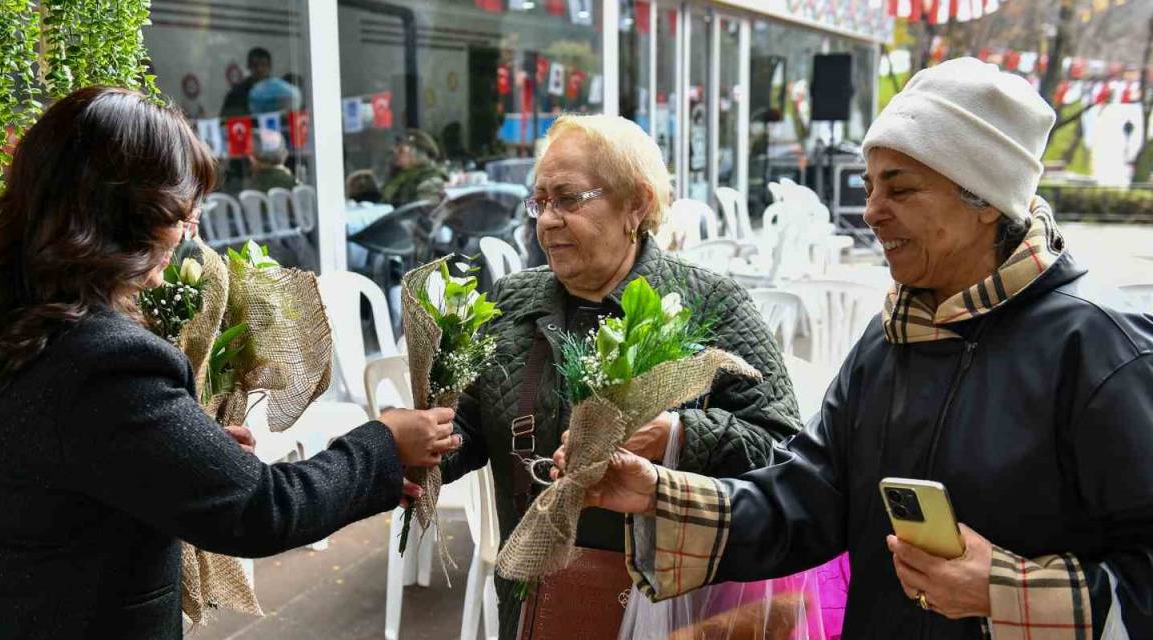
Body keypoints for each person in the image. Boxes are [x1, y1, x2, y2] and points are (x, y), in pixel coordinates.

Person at [577, 58, 1153, 637]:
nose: (872, 211)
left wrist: (1004, 592)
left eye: (900, 188)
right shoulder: (887, 342)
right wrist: (659, 492)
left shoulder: (1102, 349)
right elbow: (808, 498)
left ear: (985, 201)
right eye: (868, 186)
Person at [0, 86, 458, 639]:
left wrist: (180, 453)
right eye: (180, 213)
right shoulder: (106, 361)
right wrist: (381, 442)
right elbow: (261, 510)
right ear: (123, 216)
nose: (186, 234)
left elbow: (42, 467)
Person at [441, 114, 802, 639]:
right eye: (539, 202)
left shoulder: (711, 305)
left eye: (567, 200)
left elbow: (781, 447)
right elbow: (470, 426)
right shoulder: (513, 300)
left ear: (635, 203)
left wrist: (676, 436)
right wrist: (419, 449)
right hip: (539, 598)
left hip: (673, 605)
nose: (546, 220)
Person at [382, 129, 448, 207]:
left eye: (401, 151)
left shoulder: (430, 177)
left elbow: (423, 210)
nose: (395, 153)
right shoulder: (398, 175)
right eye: (395, 149)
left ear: (417, 154)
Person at [220, 47, 272, 118]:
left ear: (269, 67)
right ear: (249, 67)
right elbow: (225, 121)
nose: (259, 69)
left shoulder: (278, 91)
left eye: (263, 65)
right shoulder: (236, 95)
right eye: (255, 65)